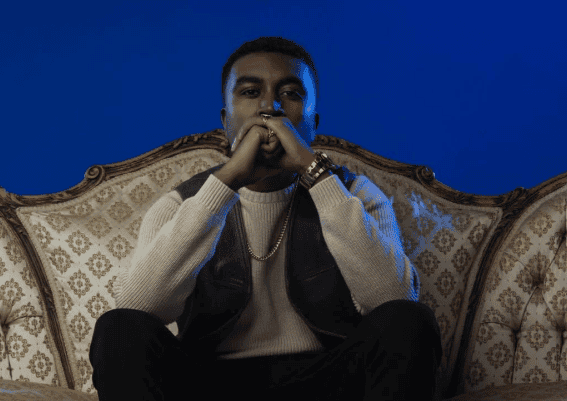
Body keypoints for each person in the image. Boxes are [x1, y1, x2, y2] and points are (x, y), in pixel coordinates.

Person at [89, 36, 442, 401]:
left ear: (313, 123)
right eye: (250, 92)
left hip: (329, 381)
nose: (270, 107)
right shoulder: (181, 204)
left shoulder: (357, 194)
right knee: (118, 329)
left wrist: (315, 173)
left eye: (290, 94)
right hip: (209, 385)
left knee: (410, 321)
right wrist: (226, 182)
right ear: (226, 121)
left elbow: (395, 299)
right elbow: (137, 308)